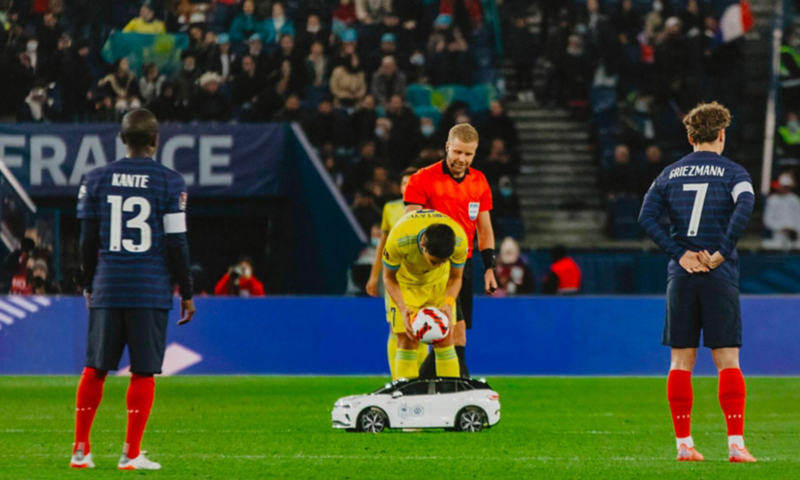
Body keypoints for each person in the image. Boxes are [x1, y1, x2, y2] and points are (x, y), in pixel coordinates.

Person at [71, 109, 195, 470]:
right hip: (150, 288)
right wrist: (186, 291)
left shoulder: (95, 179)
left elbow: (86, 239)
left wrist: (88, 283)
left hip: (107, 287)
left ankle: (81, 450)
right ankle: (131, 453)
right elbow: (177, 243)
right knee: (143, 372)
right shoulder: (170, 183)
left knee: (94, 369)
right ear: (156, 141)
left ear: (122, 139)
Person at [638, 102, 756, 463]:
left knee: (680, 362)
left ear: (690, 137)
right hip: (719, 273)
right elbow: (746, 206)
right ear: (722, 135)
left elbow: (645, 216)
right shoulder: (735, 173)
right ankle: (735, 445)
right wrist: (721, 251)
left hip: (683, 273)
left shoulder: (669, 174)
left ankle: (684, 445)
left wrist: (678, 252)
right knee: (728, 360)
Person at [404, 124, 497, 378]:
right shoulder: (422, 179)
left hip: (463, 264)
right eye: (457, 152)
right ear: (447, 147)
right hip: (432, 265)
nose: (462, 159)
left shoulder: (479, 181)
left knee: (455, 330)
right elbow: (410, 224)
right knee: (454, 330)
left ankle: (421, 385)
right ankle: (462, 383)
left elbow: (484, 229)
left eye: (469, 154)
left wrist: (489, 267)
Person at [382, 210, 468, 379]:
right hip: (405, 286)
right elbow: (388, 277)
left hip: (439, 285)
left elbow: (456, 277)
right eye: (434, 261)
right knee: (407, 342)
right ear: (422, 244)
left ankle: (449, 396)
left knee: (444, 339)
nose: (437, 266)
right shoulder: (399, 237)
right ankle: (406, 398)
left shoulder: (459, 239)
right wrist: (403, 307)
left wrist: (449, 303)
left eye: (443, 262)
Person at [365, 167, 428, 379]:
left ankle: (418, 377)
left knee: (422, 328)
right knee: (397, 328)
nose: (407, 187)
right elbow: (382, 245)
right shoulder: (390, 208)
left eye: (412, 184)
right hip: (395, 279)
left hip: (423, 280)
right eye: (404, 184)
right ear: (399, 187)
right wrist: (374, 276)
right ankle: (398, 378)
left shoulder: (430, 210)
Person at [763, 172, 800, 250]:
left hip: (795, 236)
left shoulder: (795, 200)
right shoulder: (772, 200)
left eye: (786, 187)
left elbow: (798, 218)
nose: (784, 189)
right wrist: (781, 227)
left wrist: (792, 228)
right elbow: (768, 220)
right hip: (777, 237)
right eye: (783, 186)